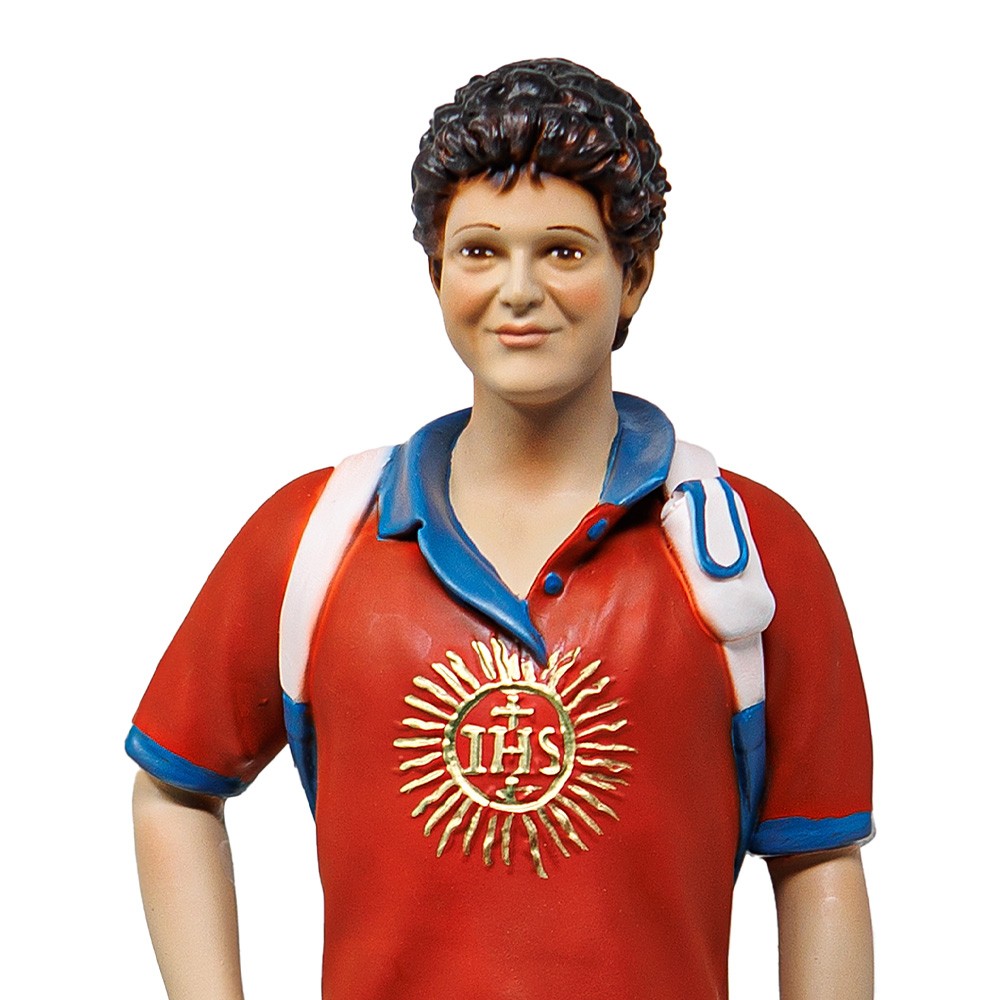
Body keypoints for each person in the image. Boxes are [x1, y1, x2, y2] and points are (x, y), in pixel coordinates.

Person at [128, 58, 874, 1000]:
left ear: (634, 276)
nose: (518, 290)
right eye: (480, 251)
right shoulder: (315, 540)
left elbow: (818, 861)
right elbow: (174, 787)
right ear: (436, 271)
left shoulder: (752, 553)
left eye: (563, 251)